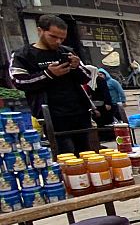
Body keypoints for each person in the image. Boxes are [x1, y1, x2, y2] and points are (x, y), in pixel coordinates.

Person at [10, 14, 95, 154]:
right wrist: (48, 74)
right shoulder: (23, 55)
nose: (58, 41)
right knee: (66, 155)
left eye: (62, 38)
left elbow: (86, 78)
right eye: (53, 36)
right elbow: (19, 81)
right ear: (40, 31)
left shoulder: (66, 51)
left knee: (88, 154)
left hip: (79, 113)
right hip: (52, 116)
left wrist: (77, 66)